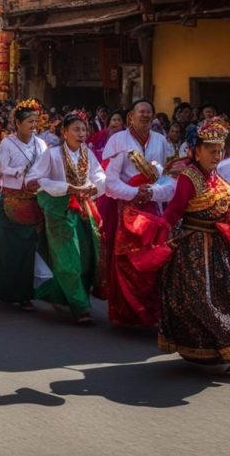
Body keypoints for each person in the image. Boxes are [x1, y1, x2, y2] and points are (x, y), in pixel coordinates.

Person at [156, 118, 230, 363]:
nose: (217, 155)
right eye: (211, 150)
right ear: (196, 151)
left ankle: (218, 348)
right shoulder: (189, 177)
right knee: (200, 300)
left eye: (220, 150)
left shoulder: (217, 177)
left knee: (223, 297)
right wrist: (156, 237)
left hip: (218, 248)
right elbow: (173, 212)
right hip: (193, 250)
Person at [27, 112, 106, 324]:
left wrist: (93, 186)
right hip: (58, 209)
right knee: (68, 256)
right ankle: (81, 307)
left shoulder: (86, 153)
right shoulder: (52, 154)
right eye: (76, 129)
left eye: (83, 129)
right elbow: (34, 178)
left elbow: (99, 175)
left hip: (81, 207)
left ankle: (59, 294)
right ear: (64, 132)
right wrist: (64, 187)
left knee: (86, 256)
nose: (81, 134)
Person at [102, 99, 174, 327]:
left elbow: (169, 179)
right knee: (128, 261)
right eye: (140, 112)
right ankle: (126, 312)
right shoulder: (118, 140)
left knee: (154, 259)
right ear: (130, 117)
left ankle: (151, 312)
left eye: (148, 112)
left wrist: (152, 192)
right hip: (129, 209)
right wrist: (134, 192)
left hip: (154, 207)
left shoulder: (161, 141)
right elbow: (110, 181)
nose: (145, 115)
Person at [0, 100, 49, 310]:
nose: (33, 125)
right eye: (28, 121)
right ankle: (7, 291)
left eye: (36, 121)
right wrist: (15, 171)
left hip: (34, 200)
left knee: (29, 249)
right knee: (10, 249)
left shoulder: (41, 144)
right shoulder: (8, 143)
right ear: (17, 122)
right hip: (12, 201)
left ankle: (26, 294)